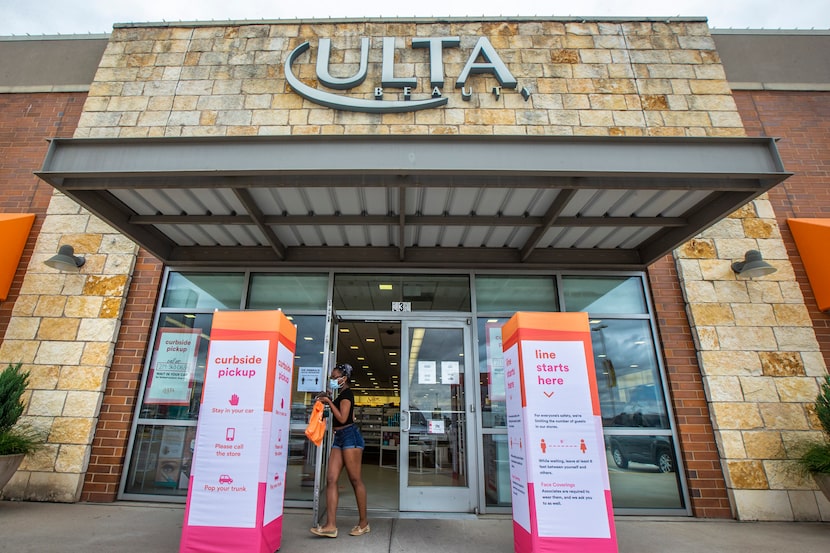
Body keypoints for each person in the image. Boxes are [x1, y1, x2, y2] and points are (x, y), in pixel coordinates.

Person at [310, 362, 370, 538]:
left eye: (335, 378)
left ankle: (364, 523)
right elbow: (350, 415)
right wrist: (328, 398)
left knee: (355, 479)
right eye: (332, 378)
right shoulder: (341, 395)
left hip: (350, 437)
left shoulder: (347, 394)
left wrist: (328, 401)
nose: (333, 380)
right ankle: (330, 525)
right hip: (340, 438)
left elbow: (344, 418)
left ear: (344, 379)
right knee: (331, 478)